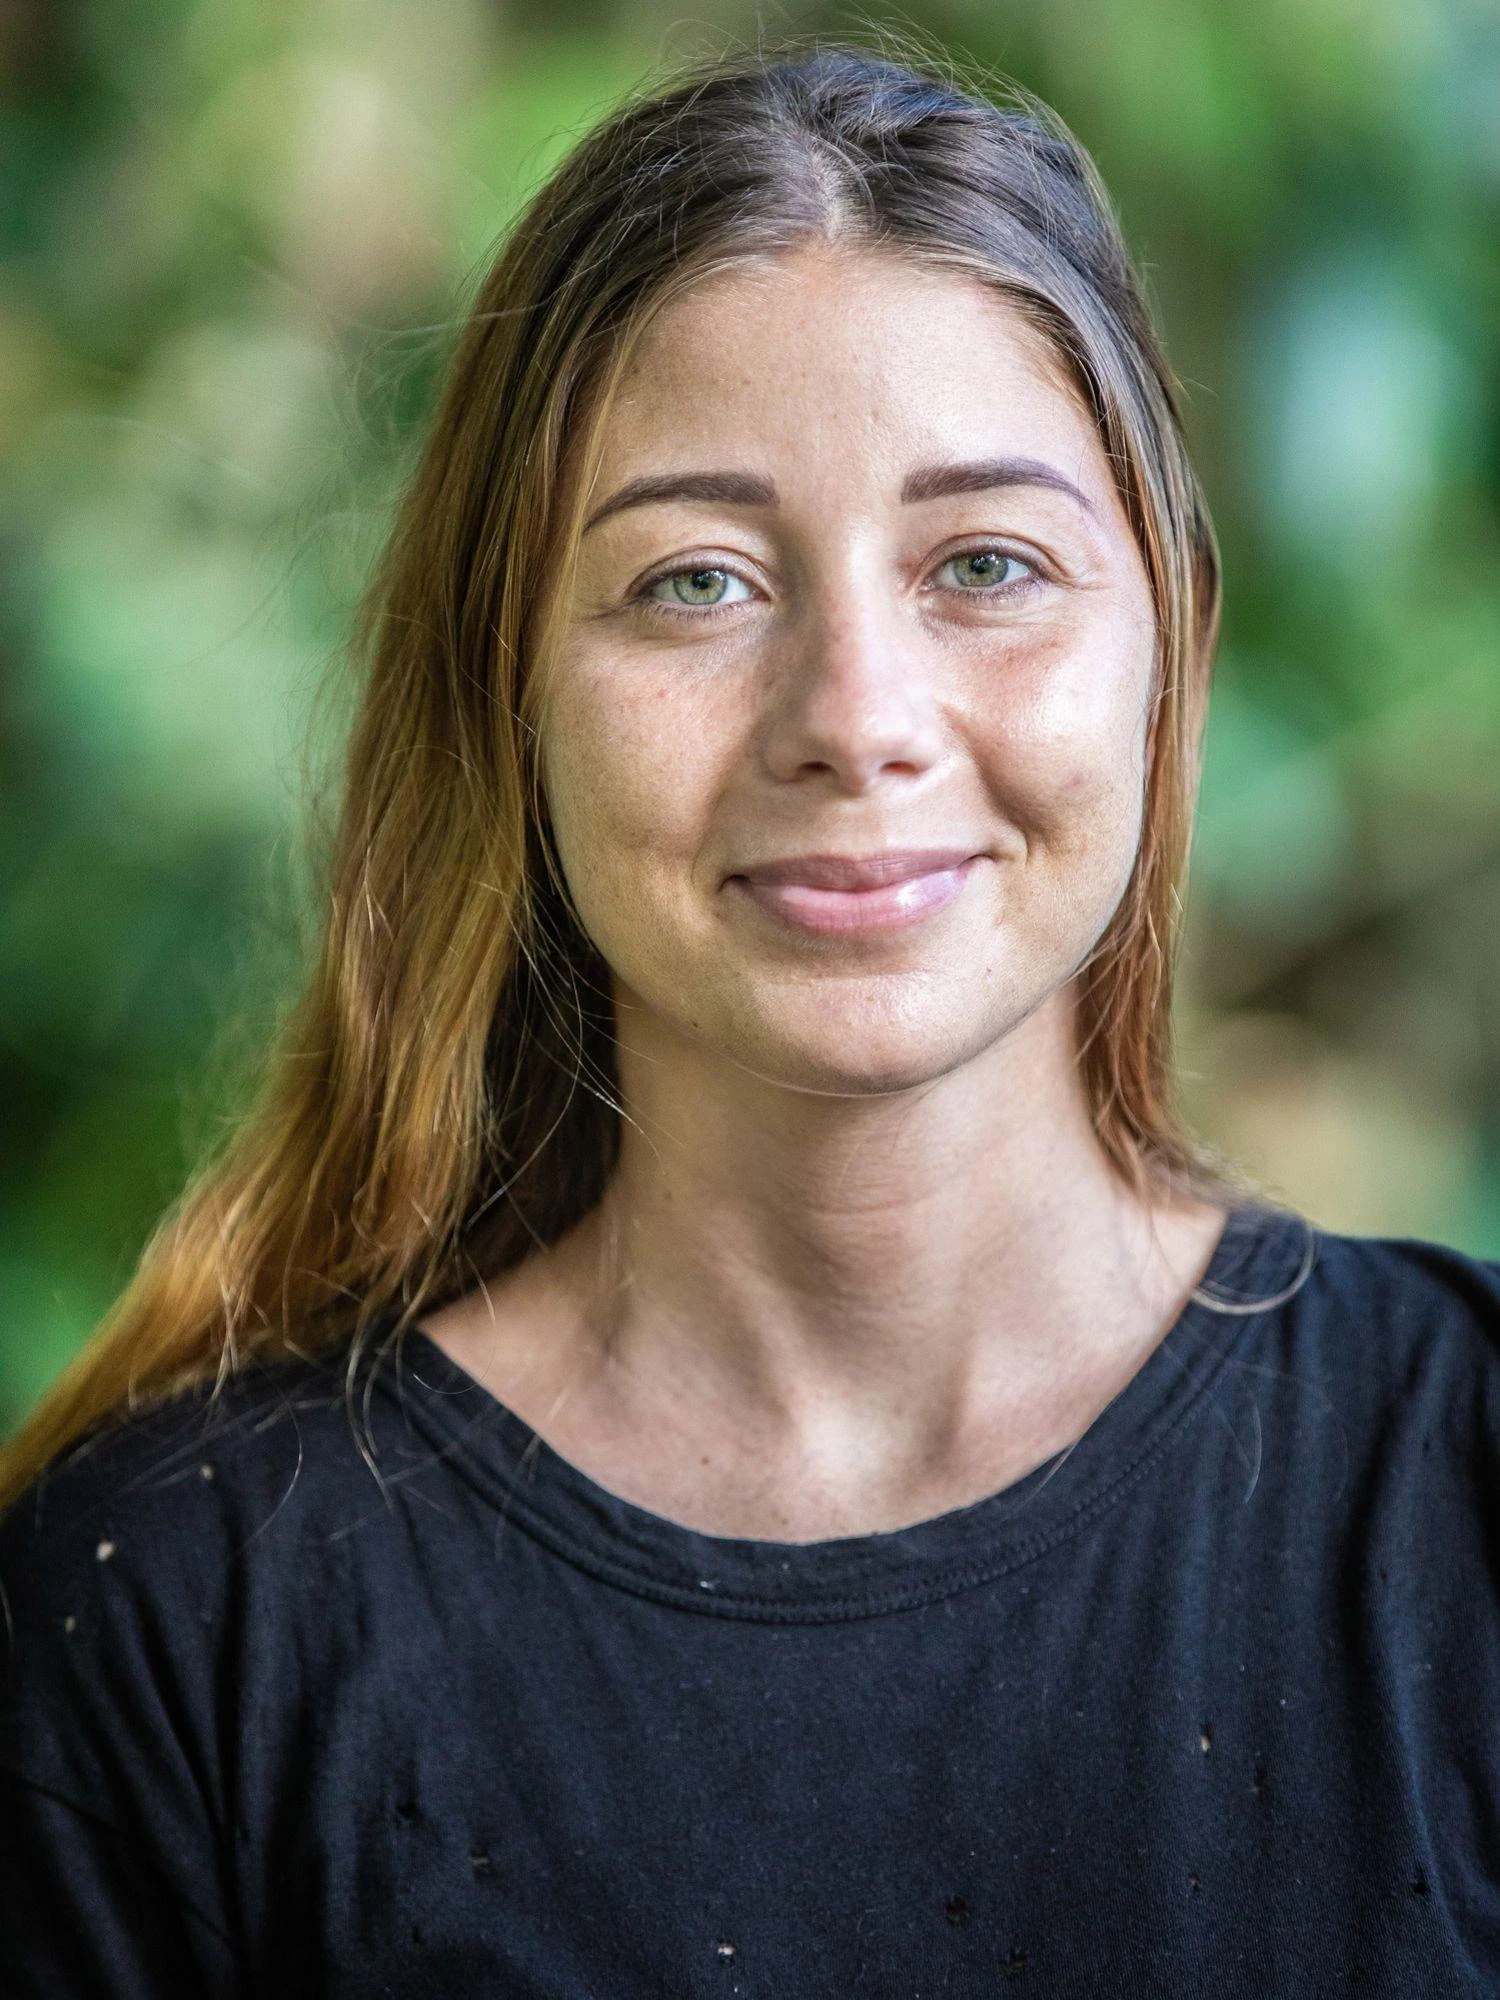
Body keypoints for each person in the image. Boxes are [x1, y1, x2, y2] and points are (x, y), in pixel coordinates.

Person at [1, 43, 1497, 1998]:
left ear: (1174, 650)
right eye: (695, 582)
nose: (854, 718)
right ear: (505, 696)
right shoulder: (186, 1621)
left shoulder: (1459, 1489)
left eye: (988, 564)